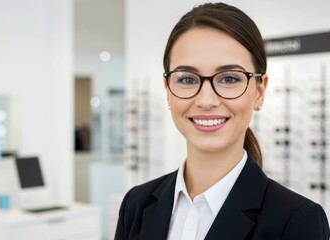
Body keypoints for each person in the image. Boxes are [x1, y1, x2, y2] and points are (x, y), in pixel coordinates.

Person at [115, 2, 330, 240]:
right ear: (168, 90)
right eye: (187, 79)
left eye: (229, 79)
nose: (206, 100)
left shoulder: (298, 221)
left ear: (259, 92)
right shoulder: (135, 205)